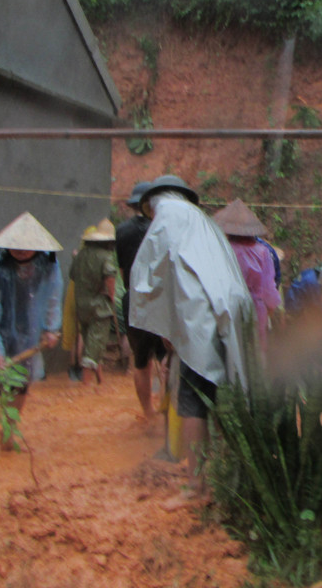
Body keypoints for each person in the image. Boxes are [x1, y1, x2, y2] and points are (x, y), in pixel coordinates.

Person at [129, 175, 254, 493]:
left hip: (200, 318)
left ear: (154, 202)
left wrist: (165, 330)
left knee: (192, 401)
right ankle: (224, 476)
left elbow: (147, 278)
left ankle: (196, 487)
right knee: (225, 393)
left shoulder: (168, 216)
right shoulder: (203, 221)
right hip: (229, 309)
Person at [0, 212, 63, 447]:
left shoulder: (47, 266)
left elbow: (52, 297)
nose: (20, 250)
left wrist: (51, 328)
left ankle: (8, 436)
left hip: (26, 337)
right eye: (15, 245)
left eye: (27, 246)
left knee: (19, 385)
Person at [116, 181, 166, 420]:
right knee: (167, 359)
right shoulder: (163, 229)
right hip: (161, 300)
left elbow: (124, 272)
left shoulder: (122, 231)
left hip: (133, 299)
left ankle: (147, 412)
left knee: (141, 361)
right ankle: (167, 409)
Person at [213, 199, 281, 354]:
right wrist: (269, 309)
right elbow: (269, 290)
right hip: (255, 308)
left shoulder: (222, 250)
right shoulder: (263, 252)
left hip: (227, 307)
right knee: (255, 353)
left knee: (231, 353)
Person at [69, 219, 118, 385]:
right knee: (95, 345)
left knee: (92, 343)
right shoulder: (106, 257)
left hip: (82, 306)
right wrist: (111, 296)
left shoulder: (81, 255)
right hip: (100, 307)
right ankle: (86, 386)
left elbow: (73, 275)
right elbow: (110, 279)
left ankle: (100, 381)